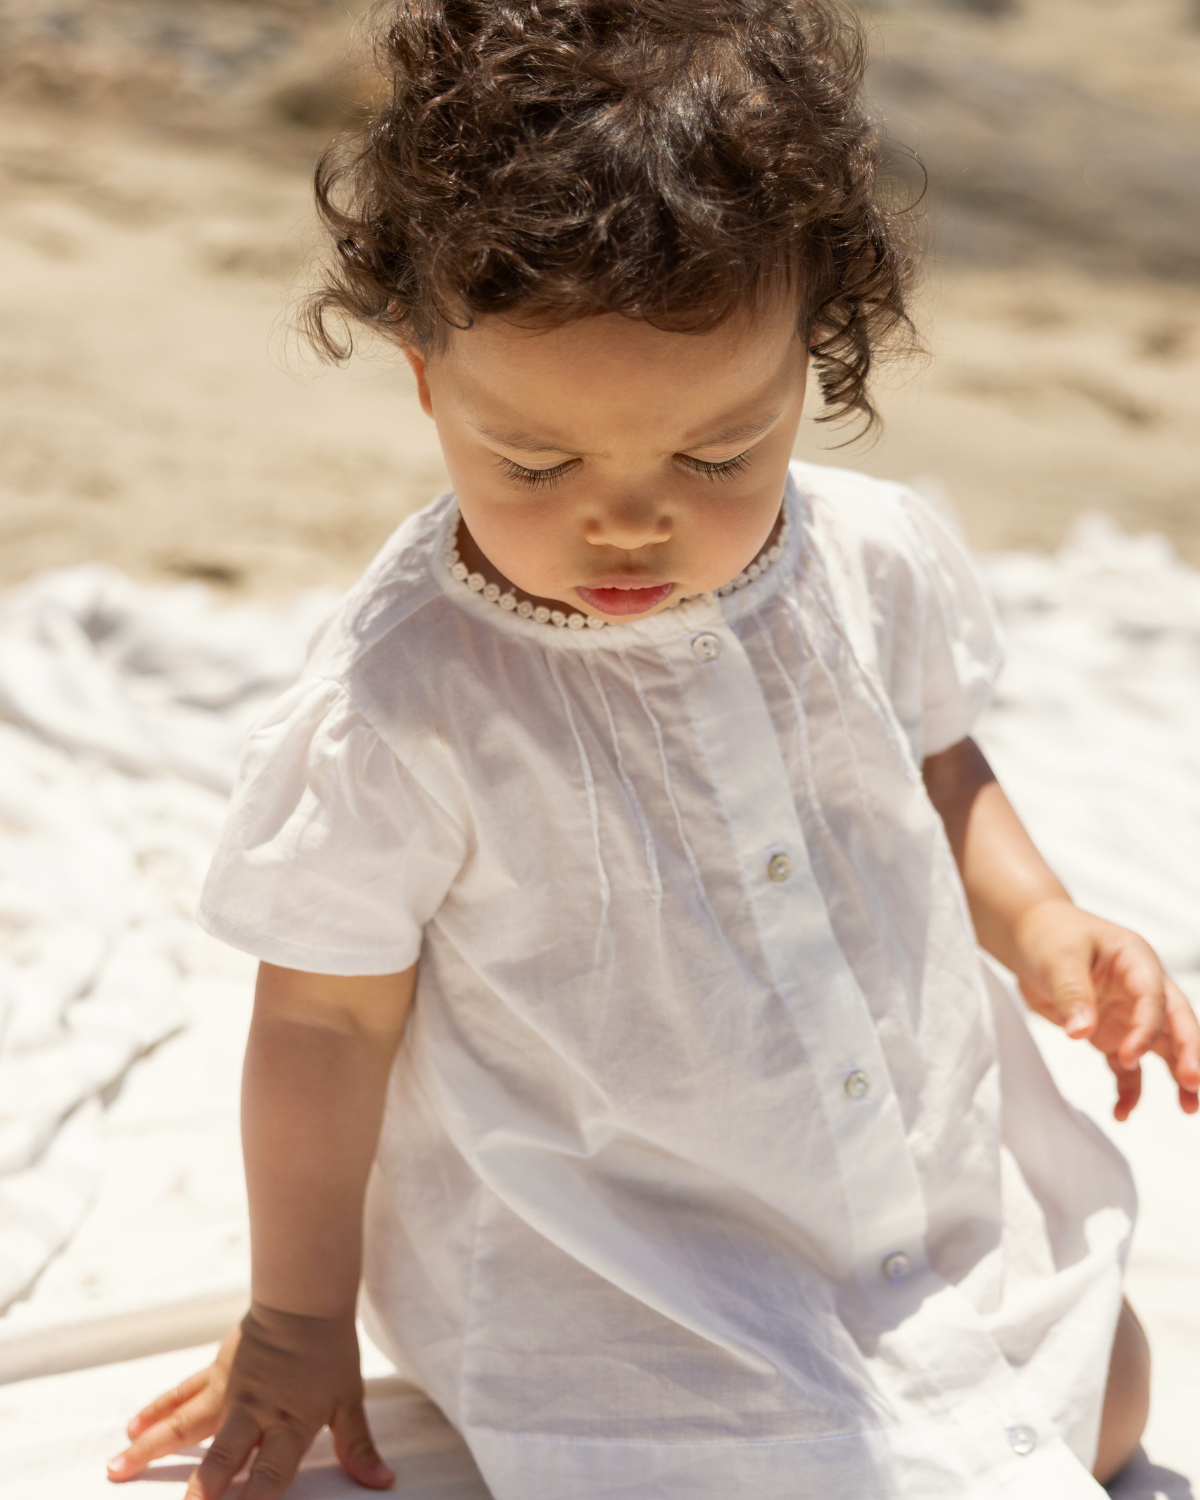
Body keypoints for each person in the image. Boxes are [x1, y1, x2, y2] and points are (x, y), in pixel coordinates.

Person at [106, 3, 1199, 1497]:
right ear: (429, 382)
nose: (628, 520)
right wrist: (295, 1316)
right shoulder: (411, 699)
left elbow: (940, 766)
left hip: (896, 1178)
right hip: (625, 1264)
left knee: (1111, 1397)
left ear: (806, 365)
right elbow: (323, 1026)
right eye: (536, 464)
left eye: (717, 453)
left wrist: (1045, 920)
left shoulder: (872, 557)